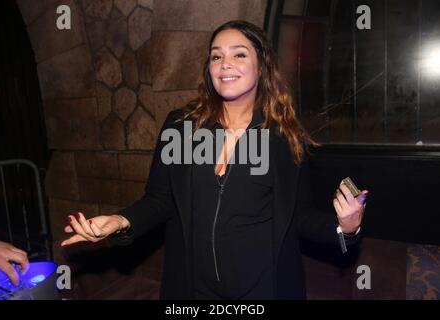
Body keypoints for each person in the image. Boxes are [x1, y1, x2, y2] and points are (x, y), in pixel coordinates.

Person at [61, 20, 368, 299]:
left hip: (264, 289)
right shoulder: (182, 127)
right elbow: (160, 200)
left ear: (261, 66)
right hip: (194, 289)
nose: (225, 64)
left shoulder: (284, 139)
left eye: (239, 55)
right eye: (216, 56)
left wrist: (347, 227)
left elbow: (298, 216)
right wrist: (120, 221)